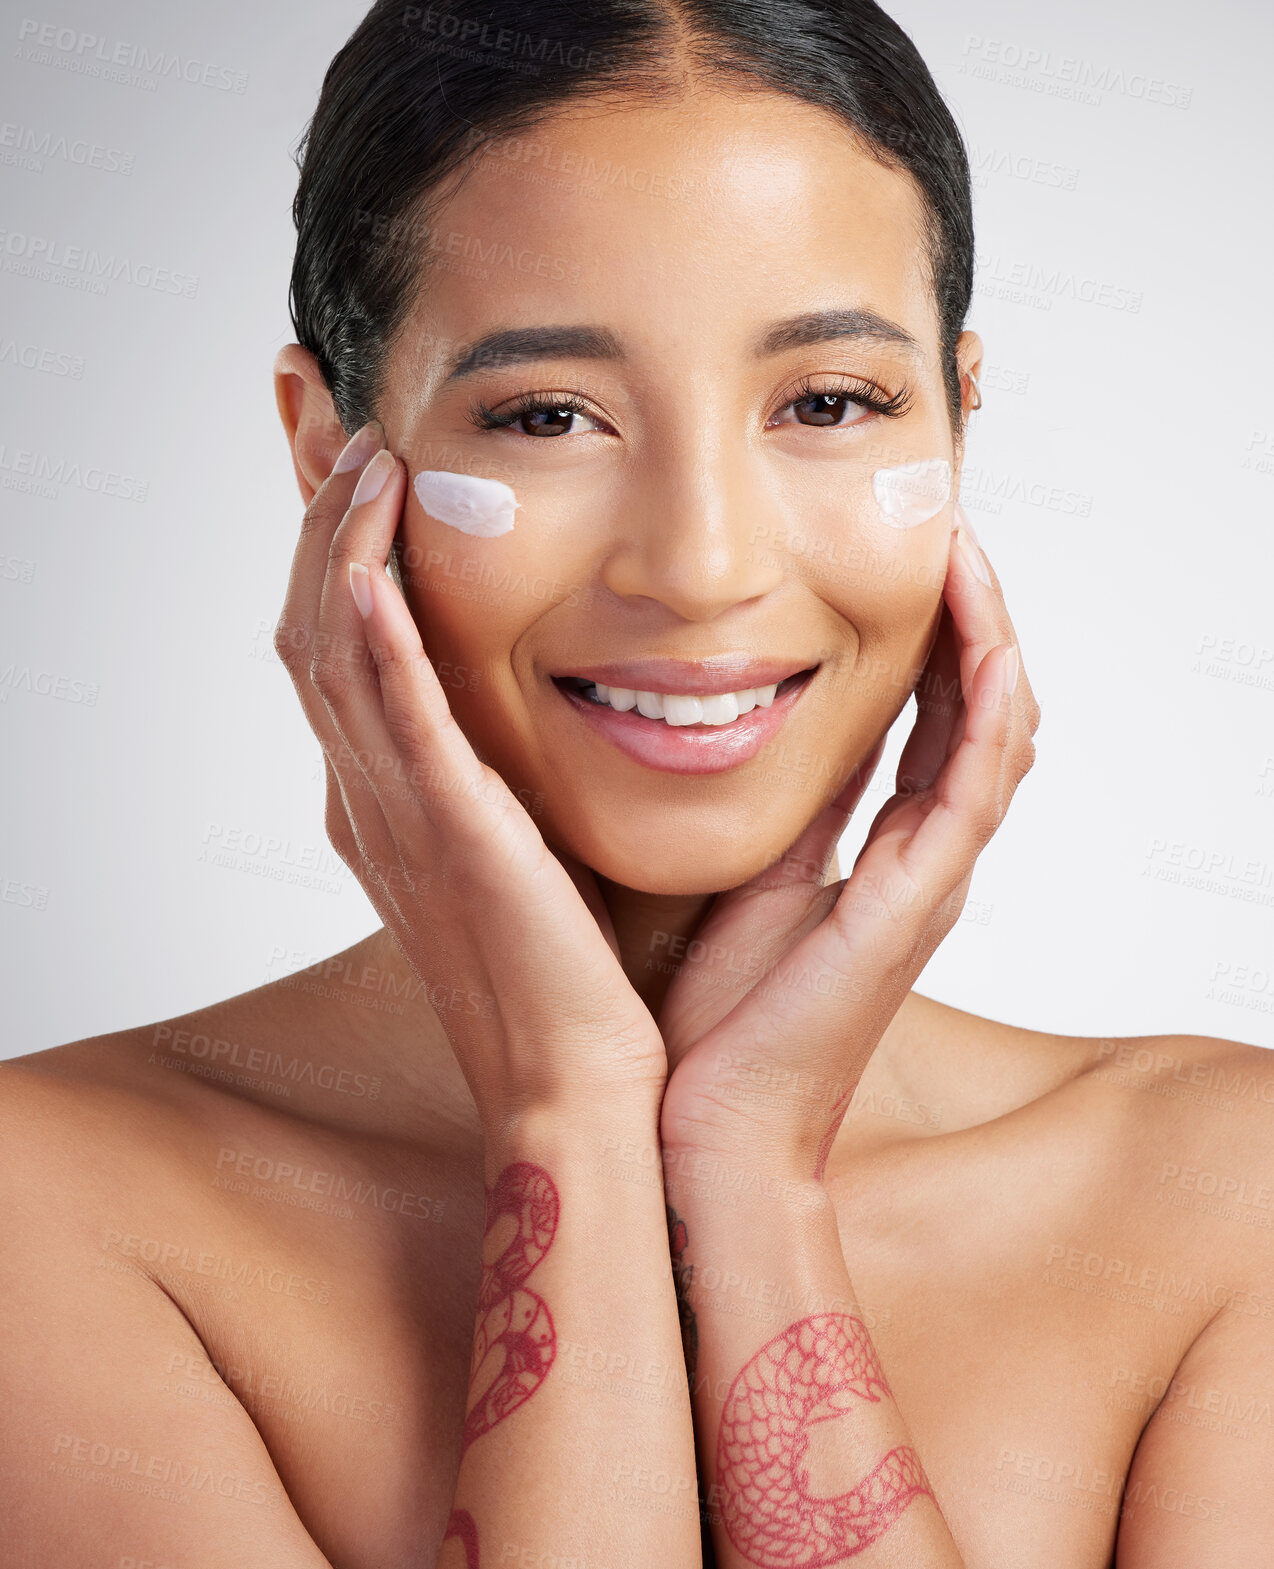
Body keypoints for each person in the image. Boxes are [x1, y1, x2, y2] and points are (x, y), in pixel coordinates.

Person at [3, 1, 1271, 1564]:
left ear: (959, 411)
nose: (701, 565)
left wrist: (748, 1177)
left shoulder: (1228, 1197)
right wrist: (568, 1119)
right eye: (547, 417)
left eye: (825, 403)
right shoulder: (49, 1207)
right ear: (329, 447)